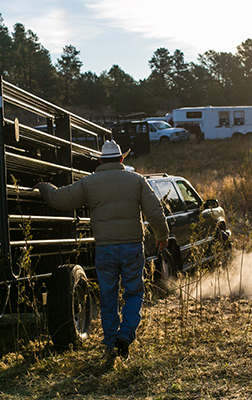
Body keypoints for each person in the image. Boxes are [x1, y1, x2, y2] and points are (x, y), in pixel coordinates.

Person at [35, 140, 169, 358]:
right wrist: (162, 236)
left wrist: (44, 187)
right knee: (134, 293)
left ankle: (109, 345)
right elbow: (154, 212)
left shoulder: (89, 183)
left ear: (99, 160)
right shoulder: (137, 181)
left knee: (108, 297)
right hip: (132, 247)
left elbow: (60, 199)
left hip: (105, 249)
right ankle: (125, 335)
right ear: (122, 159)